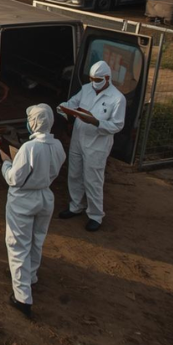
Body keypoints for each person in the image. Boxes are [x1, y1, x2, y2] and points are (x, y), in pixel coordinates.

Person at [1, 104, 66, 319]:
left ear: (34, 123)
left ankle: (22, 297)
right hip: (45, 197)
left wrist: (6, 164)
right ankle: (30, 276)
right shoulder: (57, 146)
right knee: (37, 240)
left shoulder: (29, 149)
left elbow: (14, 178)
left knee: (18, 244)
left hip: (23, 200)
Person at [56, 61, 126, 232]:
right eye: (92, 78)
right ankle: (75, 206)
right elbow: (72, 103)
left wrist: (95, 122)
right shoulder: (87, 89)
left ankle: (95, 215)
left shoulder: (117, 98)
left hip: (97, 145)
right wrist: (66, 109)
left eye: (98, 79)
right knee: (74, 174)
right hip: (78, 139)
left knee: (93, 180)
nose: (94, 82)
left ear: (108, 78)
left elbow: (117, 125)